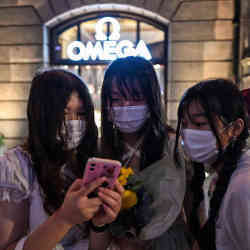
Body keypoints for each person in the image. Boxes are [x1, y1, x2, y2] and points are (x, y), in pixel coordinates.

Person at [0, 69, 123, 250]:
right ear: (41, 115)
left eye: (80, 114)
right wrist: (64, 218)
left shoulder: (92, 160)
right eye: (64, 113)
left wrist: (100, 224)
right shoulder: (17, 166)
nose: (73, 121)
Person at [88, 56, 189, 250]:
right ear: (106, 104)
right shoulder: (100, 151)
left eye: (136, 97)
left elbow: (190, 206)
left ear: (152, 100)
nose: (126, 106)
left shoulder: (172, 146)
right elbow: (96, 226)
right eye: (117, 99)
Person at [174, 78, 250, 250]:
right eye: (185, 125)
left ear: (235, 128)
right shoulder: (220, 175)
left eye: (200, 124)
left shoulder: (243, 186)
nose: (189, 133)